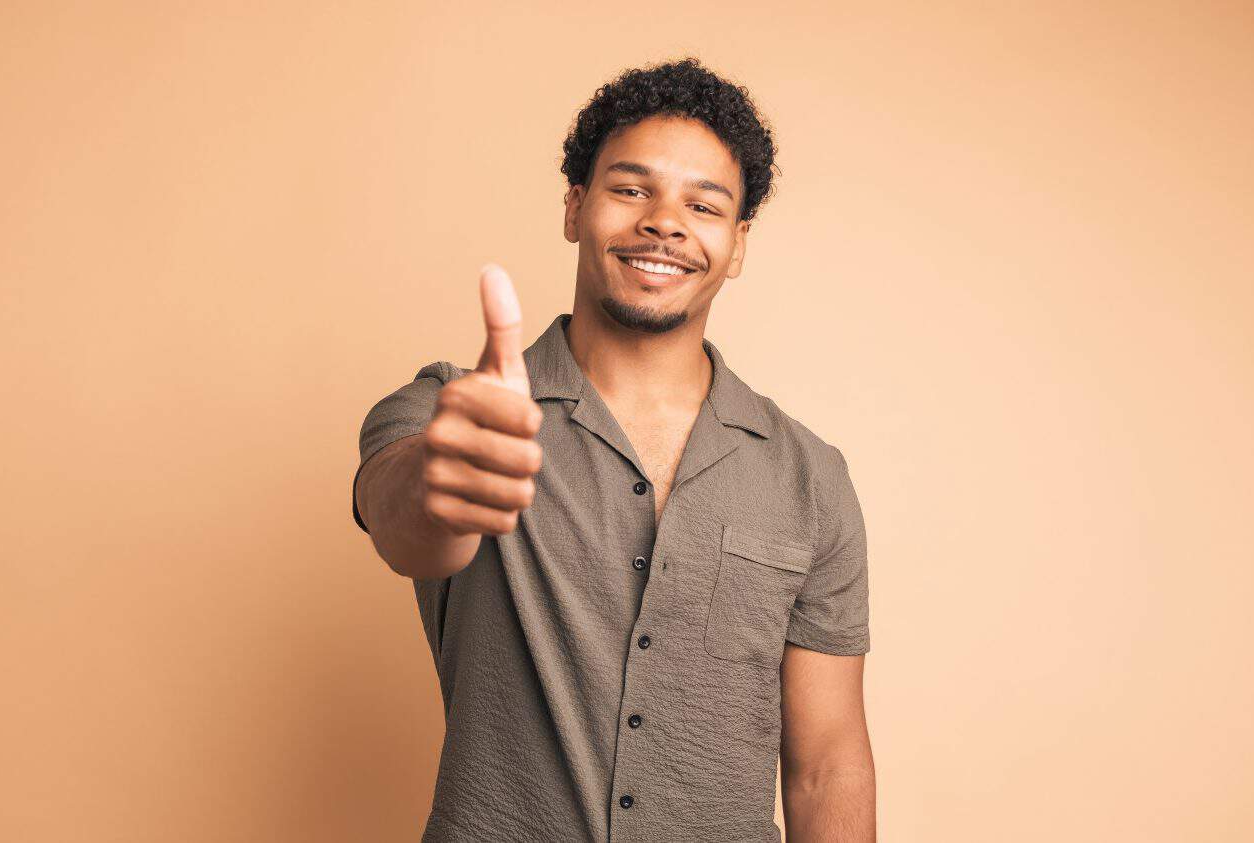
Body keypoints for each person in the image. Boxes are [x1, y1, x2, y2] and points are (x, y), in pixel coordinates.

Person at [352, 57, 874, 843]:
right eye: (631, 189)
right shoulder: (448, 412)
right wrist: (441, 476)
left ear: (736, 245)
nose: (664, 221)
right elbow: (404, 524)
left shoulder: (811, 476)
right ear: (575, 206)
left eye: (703, 204)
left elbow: (827, 762)